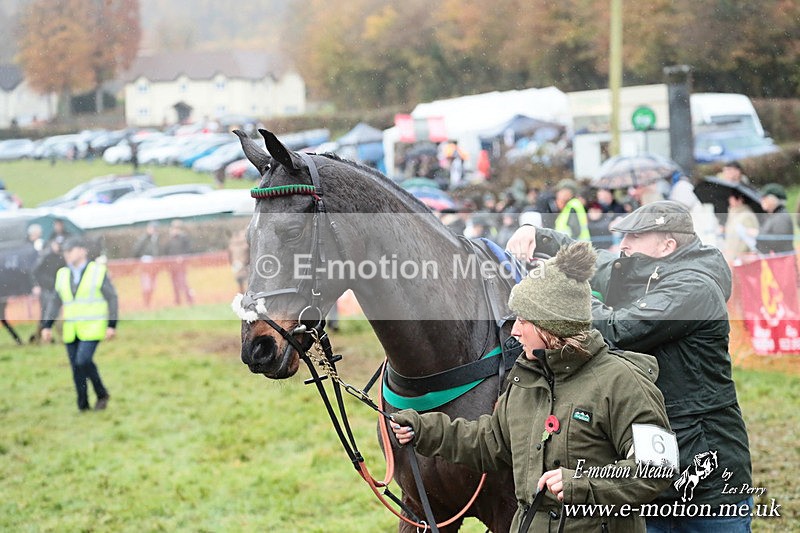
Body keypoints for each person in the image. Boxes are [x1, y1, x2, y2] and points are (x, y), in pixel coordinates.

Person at [506, 201, 754, 531]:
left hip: (705, 475)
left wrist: (569, 300)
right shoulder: (646, 272)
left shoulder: (695, 288)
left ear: (667, 245)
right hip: (649, 465)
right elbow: (599, 261)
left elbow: (619, 331)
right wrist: (541, 237)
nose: (624, 244)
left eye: (635, 237)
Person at [391, 242, 672, 533]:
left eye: (523, 320)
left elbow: (657, 468)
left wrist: (581, 484)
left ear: (550, 326)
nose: (514, 330)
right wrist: (422, 430)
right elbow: (490, 441)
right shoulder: (525, 378)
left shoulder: (623, 381)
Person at [41, 238, 118, 412]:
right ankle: (83, 405)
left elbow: (112, 297)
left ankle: (101, 393)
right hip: (71, 329)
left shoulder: (97, 271)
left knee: (83, 361)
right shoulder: (62, 274)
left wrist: (112, 324)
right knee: (76, 368)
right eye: (65, 251)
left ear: (82, 250)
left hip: (93, 327)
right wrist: (47, 325)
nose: (67, 254)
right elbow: (55, 301)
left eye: (71, 250)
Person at [30, 239, 66, 343]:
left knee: (51, 313)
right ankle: (42, 336)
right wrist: (37, 285)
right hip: (46, 289)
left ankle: (41, 337)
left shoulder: (62, 257)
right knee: (48, 314)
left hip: (55, 288)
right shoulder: (46, 257)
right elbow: (34, 272)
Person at [756, 183, 795, 255]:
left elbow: (779, 242)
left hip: (782, 260)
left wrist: (757, 234)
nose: (762, 200)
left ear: (774, 200)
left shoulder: (781, 217)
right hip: (777, 259)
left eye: (765, 198)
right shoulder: (773, 215)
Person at [163, 220, 195, 305]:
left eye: (177, 228)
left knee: (183, 283)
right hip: (171, 266)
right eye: (174, 228)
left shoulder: (184, 238)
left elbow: (189, 250)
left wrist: (182, 257)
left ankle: (189, 300)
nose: (175, 230)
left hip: (181, 266)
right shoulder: (169, 239)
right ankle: (177, 301)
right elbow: (165, 251)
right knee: (174, 285)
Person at [723, 190, 759, 263]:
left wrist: (742, 254)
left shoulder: (747, 215)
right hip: (732, 256)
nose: (729, 201)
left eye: (732, 198)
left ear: (740, 200)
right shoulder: (733, 214)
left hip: (741, 258)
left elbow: (750, 237)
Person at [133, 222, 161, 307]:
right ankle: (146, 303)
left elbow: (158, 252)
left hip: (154, 266)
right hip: (145, 267)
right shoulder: (144, 239)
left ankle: (149, 303)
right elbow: (136, 250)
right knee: (146, 286)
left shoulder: (156, 239)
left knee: (153, 286)